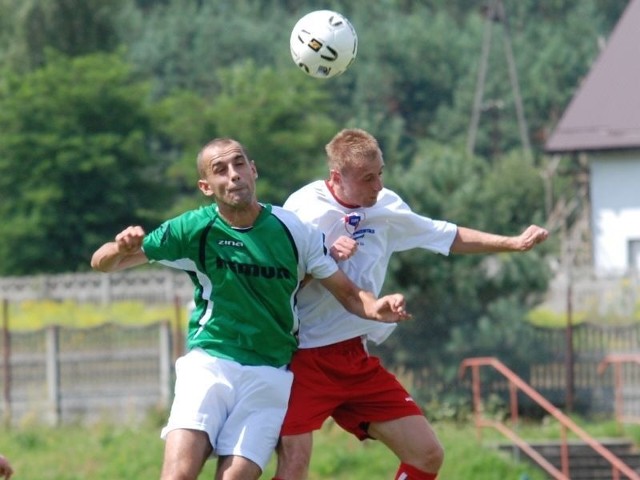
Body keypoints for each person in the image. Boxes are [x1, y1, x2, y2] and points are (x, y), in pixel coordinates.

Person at [90, 137, 411, 480]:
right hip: (211, 363)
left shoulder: (294, 230)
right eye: (220, 170)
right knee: (178, 475)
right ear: (206, 186)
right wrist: (120, 247)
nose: (234, 175)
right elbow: (103, 263)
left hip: (269, 373)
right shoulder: (194, 229)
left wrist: (377, 308)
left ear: (253, 170)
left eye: (239, 164)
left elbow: (348, 294)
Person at [274, 128, 550, 480]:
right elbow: (279, 283)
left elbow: (444, 234)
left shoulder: (385, 205)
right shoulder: (303, 210)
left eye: (380, 174)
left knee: (427, 455)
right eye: (367, 178)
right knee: (293, 469)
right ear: (336, 177)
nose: (377, 186)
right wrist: (323, 255)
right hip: (304, 358)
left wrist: (511, 243)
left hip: (355, 358)